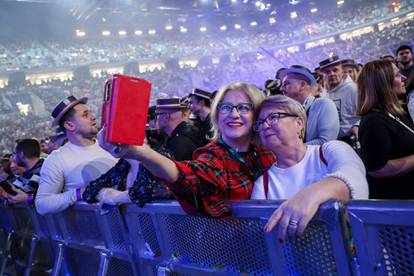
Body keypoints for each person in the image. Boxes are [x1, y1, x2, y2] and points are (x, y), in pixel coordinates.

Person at [98, 82, 275, 218]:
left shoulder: (268, 151)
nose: (234, 114)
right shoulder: (214, 155)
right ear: (217, 115)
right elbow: (187, 176)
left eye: (243, 107)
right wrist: (141, 153)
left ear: (256, 115)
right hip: (228, 253)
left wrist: (304, 197)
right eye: (226, 107)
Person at [251, 95, 368, 240]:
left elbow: (356, 177)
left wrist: (310, 195)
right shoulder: (263, 185)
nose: (265, 125)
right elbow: (262, 236)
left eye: (273, 117)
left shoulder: (329, 151)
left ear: (299, 123)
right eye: (260, 122)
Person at [36, 96, 118, 215]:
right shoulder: (57, 159)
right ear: (69, 125)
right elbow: (42, 204)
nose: (93, 117)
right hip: (96, 230)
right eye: (85, 115)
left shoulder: (110, 144)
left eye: (90, 112)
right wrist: (79, 193)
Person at [357, 60, 414, 199]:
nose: (404, 78)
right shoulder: (373, 121)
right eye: (397, 75)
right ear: (382, 84)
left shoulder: (396, 112)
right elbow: (378, 169)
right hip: (398, 203)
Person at [280, 65, 339, 145]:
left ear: (302, 85)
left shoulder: (324, 105)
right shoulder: (289, 111)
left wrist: (293, 149)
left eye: (286, 84)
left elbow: (326, 141)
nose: (281, 89)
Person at [319, 56, 360, 143]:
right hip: (334, 142)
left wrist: (357, 125)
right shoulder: (324, 94)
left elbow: (369, 112)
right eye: (327, 72)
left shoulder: (354, 89)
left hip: (353, 139)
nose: (332, 74)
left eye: (335, 70)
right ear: (323, 75)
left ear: (342, 71)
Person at [7, 139, 44, 205]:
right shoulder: (26, 173)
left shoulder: (43, 169)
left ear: (21, 154)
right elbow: (15, 189)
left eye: (16, 154)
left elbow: (25, 192)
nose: (14, 158)